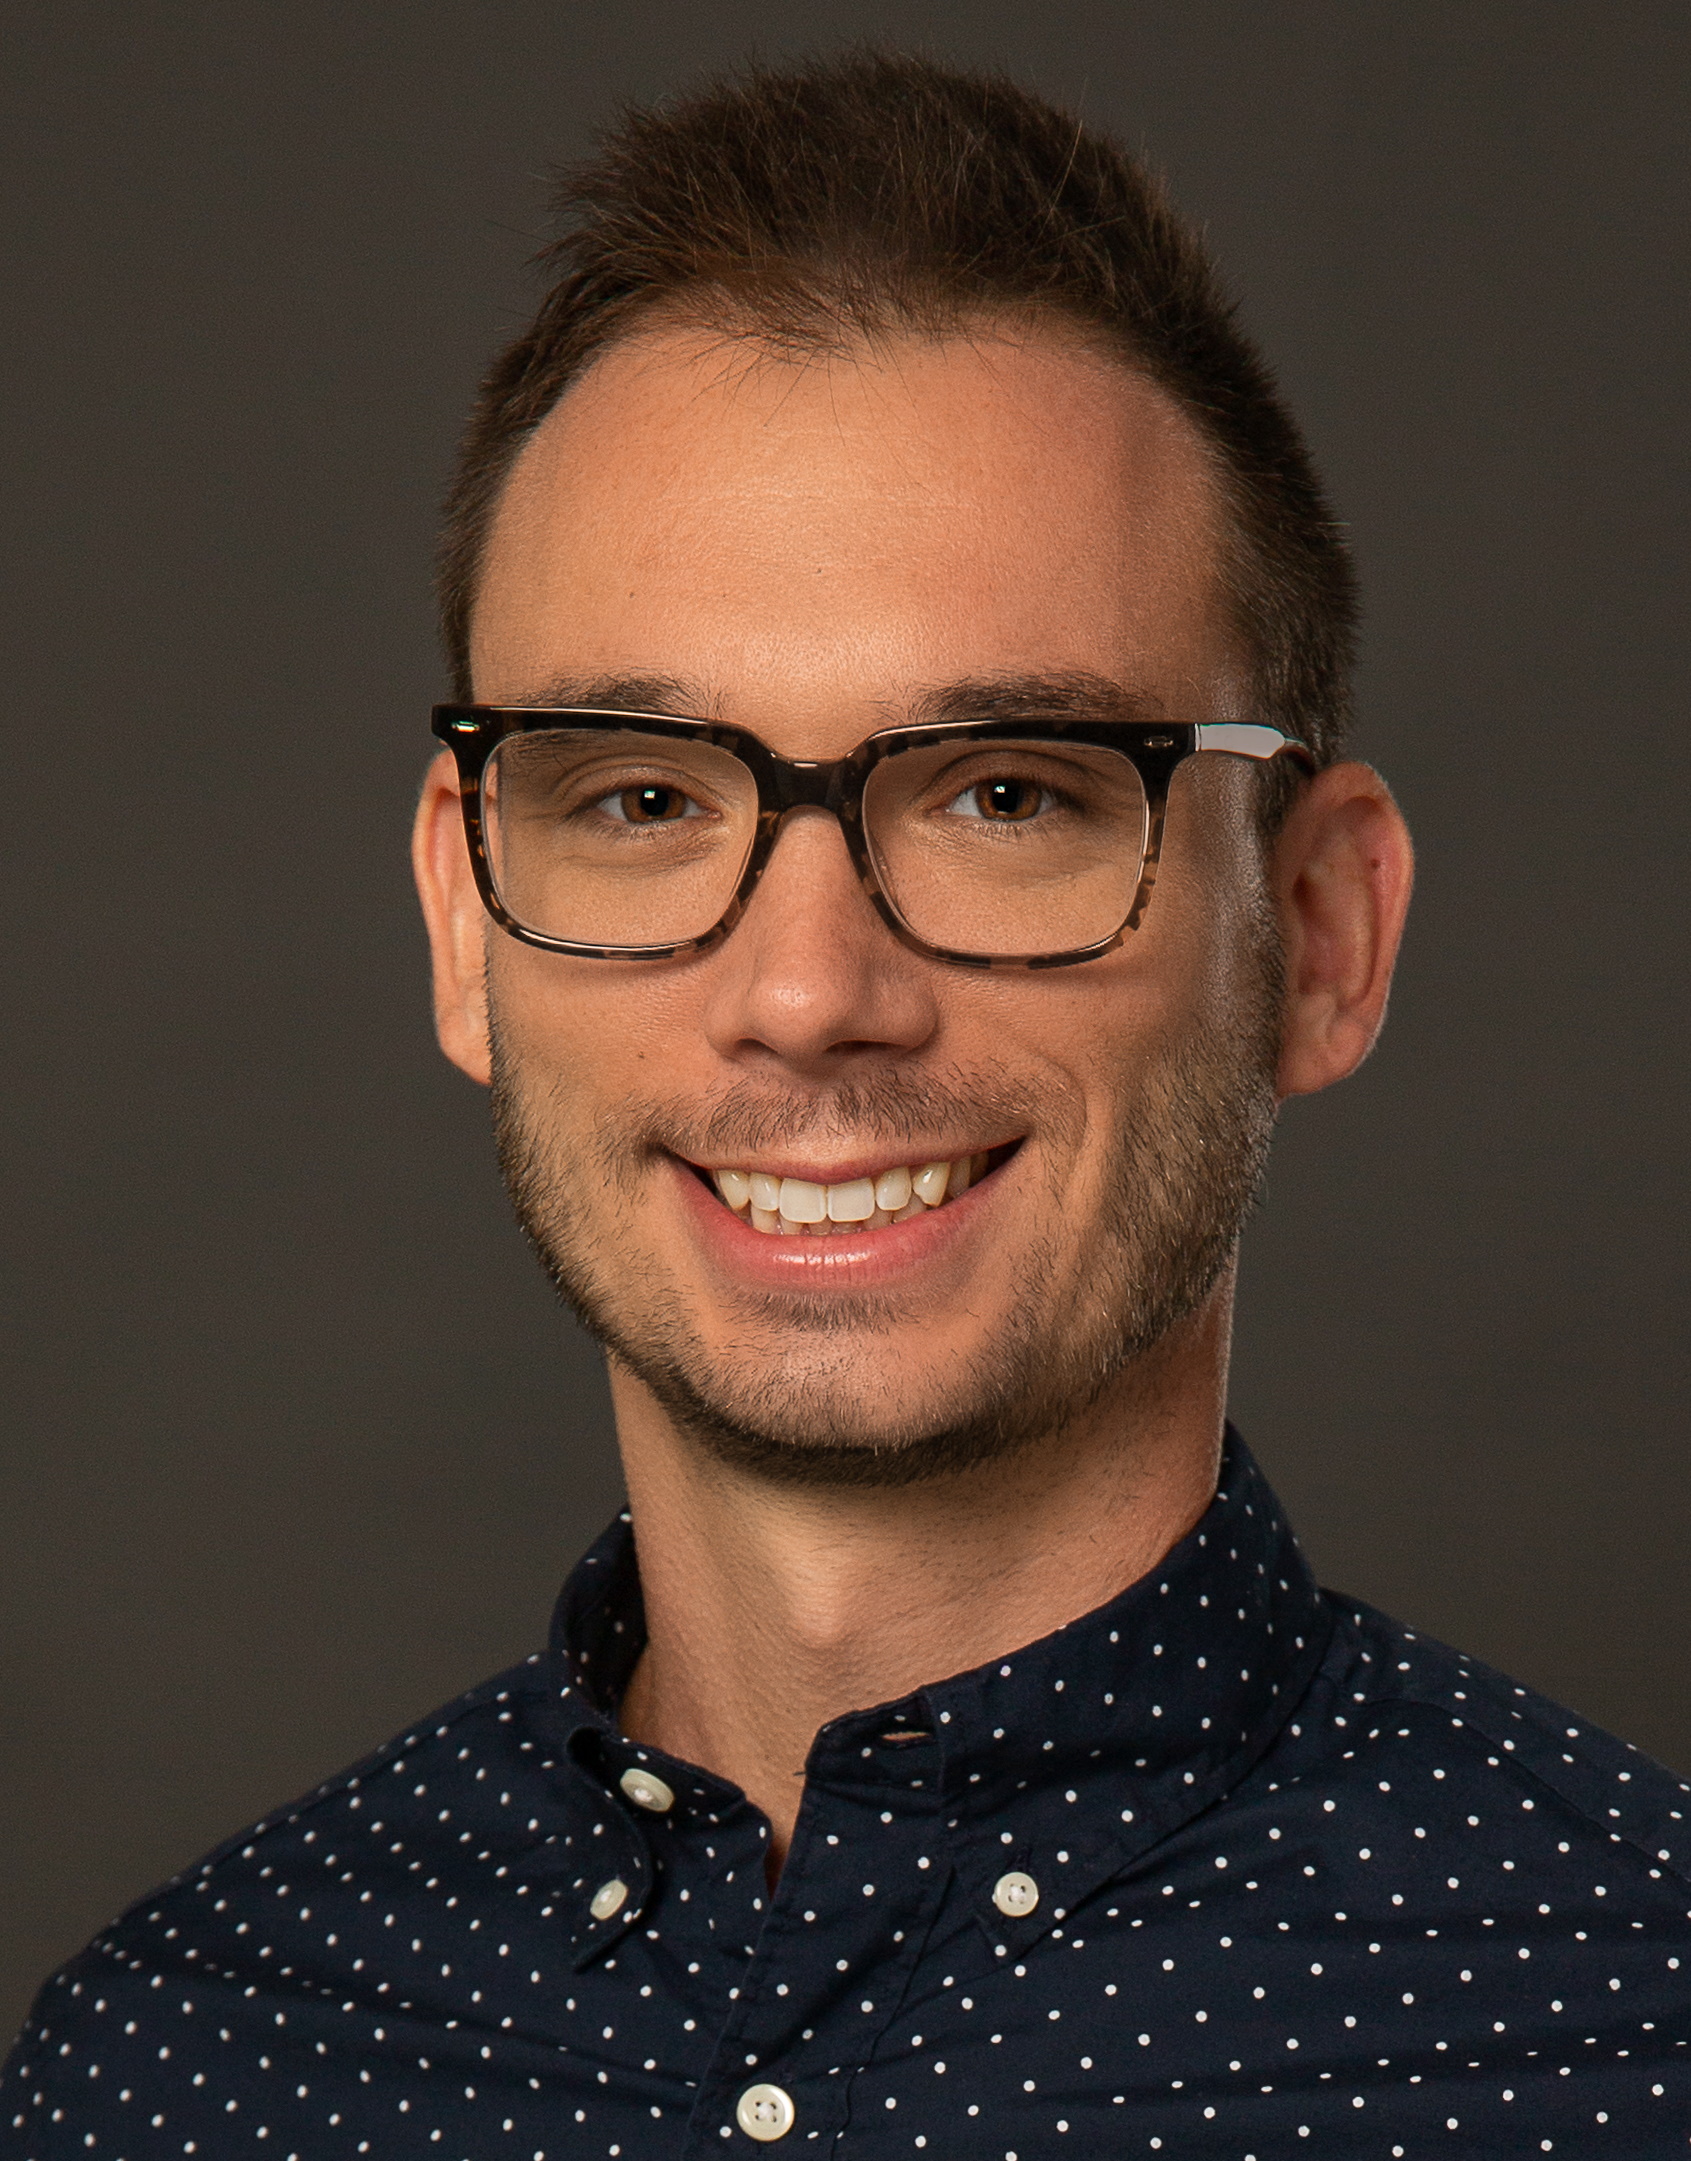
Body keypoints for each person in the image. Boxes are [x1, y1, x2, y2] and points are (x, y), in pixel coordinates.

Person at [5, 49, 1687, 2161]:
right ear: (464, 914)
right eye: (640, 797)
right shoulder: (172, 2074)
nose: (808, 995)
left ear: (1325, 933)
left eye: (1008, 796)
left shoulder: (1632, 2024)